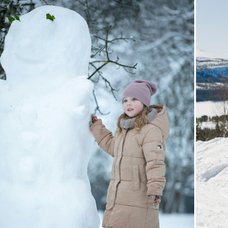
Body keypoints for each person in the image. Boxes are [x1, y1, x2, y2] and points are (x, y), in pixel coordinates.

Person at [90, 80, 169, 228]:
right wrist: (97, 127)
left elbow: (155, 163)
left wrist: (155, 190)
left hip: (138, 198)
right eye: (125, 100)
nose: (128, 103)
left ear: (145, 102)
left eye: (134, 99)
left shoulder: (150, 130)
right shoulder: (125, 129)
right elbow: (113, 147)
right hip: (118, 198)